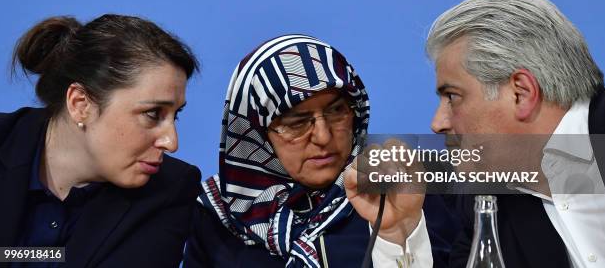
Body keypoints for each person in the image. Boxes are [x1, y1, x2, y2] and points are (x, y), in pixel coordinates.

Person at [348, 0, 605, 267]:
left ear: (520, 93)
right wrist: (399, 232)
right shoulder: (486, 209)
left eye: (452, 97)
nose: (437, 124)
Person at [183, 34, 435, 268]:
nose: (323, 137)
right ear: (257, 135)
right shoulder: (218, 215)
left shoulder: (399, 190)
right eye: (296, 122)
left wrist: (397, 232)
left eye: (336, 111)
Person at [0, 14, 201, 267]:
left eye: (175, 115)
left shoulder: (170, 189)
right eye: (152, 114)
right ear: (80, 104)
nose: (171, 142)